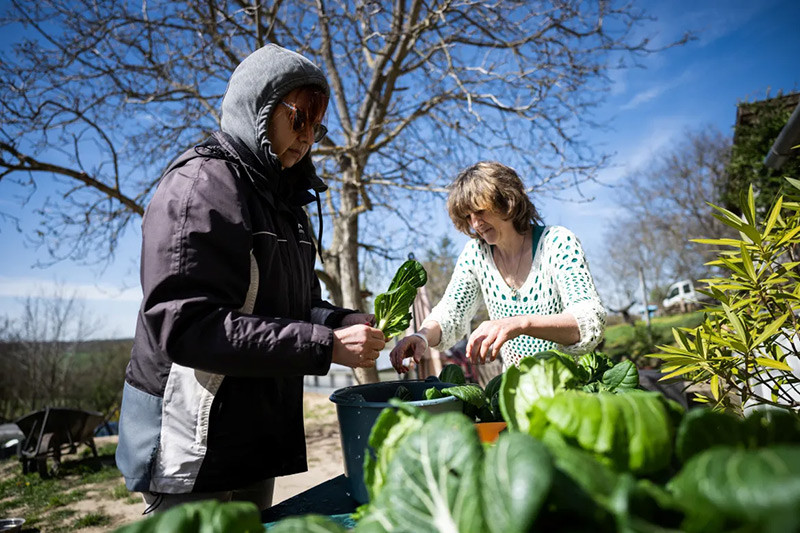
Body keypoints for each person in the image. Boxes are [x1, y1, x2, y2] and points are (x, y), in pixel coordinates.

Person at [115, 44, 386, 514]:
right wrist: (325, 346)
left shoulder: (285, 203)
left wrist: (343, 322)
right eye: (299, 118)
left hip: (252, 438)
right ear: (258, 110)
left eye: (316, 127)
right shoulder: (202, 184)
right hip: (192, 442)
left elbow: (297, 309)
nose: (306, 138)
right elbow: (186, 327)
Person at [390, 161, 605, 374]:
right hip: (518, 393)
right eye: (468, 216)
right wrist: (422, 337)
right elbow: (451, 313)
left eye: (480, 211)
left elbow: (588, 321)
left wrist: (520, 323)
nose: (475, 224)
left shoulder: (557, 242)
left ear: (507, 201)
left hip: (572, 388)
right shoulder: (476, 255)